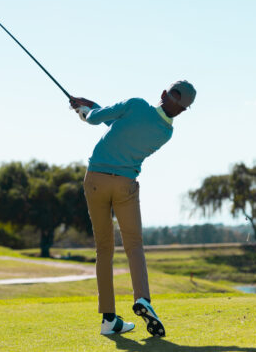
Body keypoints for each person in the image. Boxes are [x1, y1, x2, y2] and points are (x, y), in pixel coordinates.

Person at [69, 80, 196, 337]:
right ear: (183, 110)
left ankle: (108, 319)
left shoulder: (135, 104)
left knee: (104, 249)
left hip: (96, 180)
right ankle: (142, 299)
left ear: (163, 93)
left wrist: (84, 112)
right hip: (125, 185)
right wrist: (89, 105)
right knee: (134, 246)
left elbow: (98, 119)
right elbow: (118, 124)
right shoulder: (166, 133)